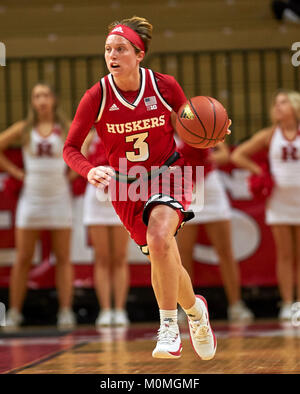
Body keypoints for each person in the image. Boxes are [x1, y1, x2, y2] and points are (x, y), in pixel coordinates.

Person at [63, 16, 230, 359]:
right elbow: (70, 148)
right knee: (161, 252)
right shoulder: (96, 96)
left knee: (159, 236)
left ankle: (168, 327)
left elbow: (191, 126)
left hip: (169, 173)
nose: (113, 55)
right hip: (126, 186)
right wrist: (89, 170)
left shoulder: (164, 86)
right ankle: (196, 311)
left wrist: (212, 133)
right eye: (108, 49)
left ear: (139, 55)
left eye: (121, 49)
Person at [0, 82, 76, 329]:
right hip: (31, 199)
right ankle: (14, 312)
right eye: (37, 96)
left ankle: (65, 311)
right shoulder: (24, 129)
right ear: (33, 102)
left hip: (59, 198)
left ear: (54, 99)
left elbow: (83, 152)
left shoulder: (66, 128)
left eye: (45, 95)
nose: (41, 100)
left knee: (63, 258)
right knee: (23, 258)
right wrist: (17, 173)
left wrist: (73, 173)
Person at [231, 89, 300, 321]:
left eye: (283, 103)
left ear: (294, 107)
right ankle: (288, 303)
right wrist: (259, 171)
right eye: (276, 104)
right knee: (285, 254)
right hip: (279, 200)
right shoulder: (270, 135)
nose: (278, 107)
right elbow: (238, 154)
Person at [176, 140, 254, 322]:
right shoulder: (166, 131)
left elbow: (225, 155)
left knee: (225, 251)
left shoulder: (203, 125)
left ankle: (236, 305)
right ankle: (186, 308)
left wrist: (203, 157)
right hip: (185, 188)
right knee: (183, 254)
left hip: (210, 188)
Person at [82, 130, 130, 327]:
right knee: (101, 258)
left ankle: (119, 310)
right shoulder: (89, 134)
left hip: (122, 192)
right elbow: (78, 159)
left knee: (119, 257)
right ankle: (105, 310)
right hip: (96, 196)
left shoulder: (123, 129)